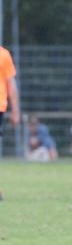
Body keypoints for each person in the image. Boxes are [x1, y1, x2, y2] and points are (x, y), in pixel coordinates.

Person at [0, 46, 20, 201]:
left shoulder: (3, 55)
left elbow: (11, 84)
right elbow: (11, 84)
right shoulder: (3, 54)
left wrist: (15, 112)